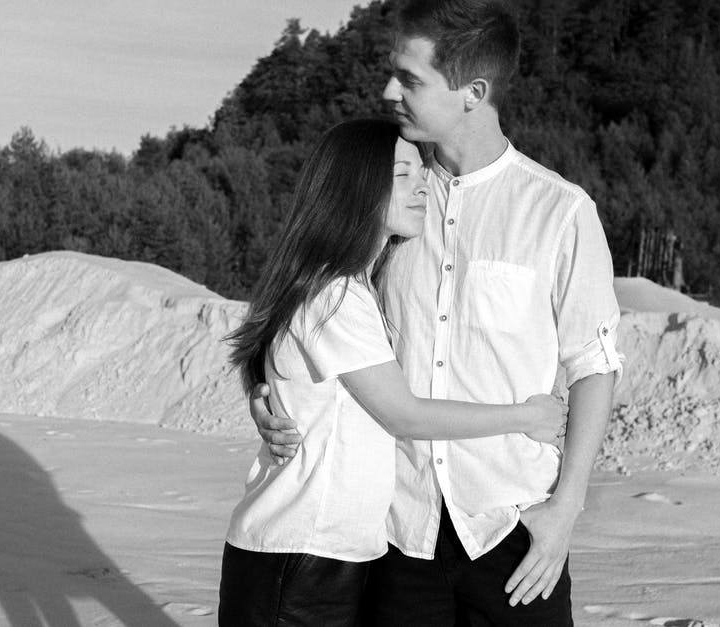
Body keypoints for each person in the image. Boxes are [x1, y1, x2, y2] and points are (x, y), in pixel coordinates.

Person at [251, 0, 622, 623]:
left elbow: (595, 364)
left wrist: (564, 513)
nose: (388, 90)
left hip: (512, 530)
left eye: (411, 80)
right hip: (396, 531)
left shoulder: (559, 211)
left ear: (473, 91)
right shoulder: (389, 197)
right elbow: (305, 302)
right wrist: (266, 393)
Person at [218, 118, 568, 626]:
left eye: (420, 170)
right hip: (300, 557)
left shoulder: (351, 288)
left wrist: (261, 398)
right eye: (402, 173)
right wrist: (525, 416)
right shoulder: (335, 294)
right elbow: (404, 414)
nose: (422, 183)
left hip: (329, 554)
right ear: (357, 189)